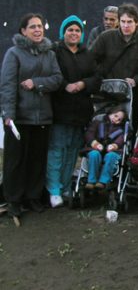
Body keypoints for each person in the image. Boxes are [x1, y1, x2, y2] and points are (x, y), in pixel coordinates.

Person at [0, 13, 63, 218]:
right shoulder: (14, 54)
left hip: (43, 117)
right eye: (33, 27)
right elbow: (7, 86)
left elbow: (57, 79)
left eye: (40, 26)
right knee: (16, 161)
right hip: (19, 118)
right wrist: (8, 115)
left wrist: (36, 83)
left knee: (37, 159)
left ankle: (33, 197)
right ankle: (14, 200)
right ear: (23, 31)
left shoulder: (50, 54)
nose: (38, 30)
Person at [46, 15, 101, 208]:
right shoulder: (55, 51)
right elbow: (50, 75)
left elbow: (96, 77)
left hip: (81, 111)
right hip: (60, 109)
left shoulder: (87, 53)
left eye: (77, 30)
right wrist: (65, 86)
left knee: (72, 150)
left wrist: (83, 84)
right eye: (70, 30)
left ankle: (65, 185)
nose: (74, 33)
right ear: (63, 32)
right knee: (57, 150)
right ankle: (53, 189)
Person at [90, 3, 138, 128]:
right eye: (123, 21)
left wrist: (136, 80)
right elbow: (90, 60)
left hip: (135, 95)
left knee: (131, 130)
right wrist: (100, 78)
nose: (126, 25)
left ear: (137, 22)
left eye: (129, 21)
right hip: (108, 95)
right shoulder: (106, 37)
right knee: (106, 128)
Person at [82, 106, 127, 189]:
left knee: (111, 156)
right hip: (95, 148)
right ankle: (91, 181)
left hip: (112, 151)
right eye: (115, 116)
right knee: (94, 154)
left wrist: (115, 145)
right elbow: (89, 134)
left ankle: (103, 181)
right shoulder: (97, 123)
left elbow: (121, 139)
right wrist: (94, 143)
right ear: (110, 113)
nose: (116, 119)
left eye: (120, 119)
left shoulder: (121, 129)